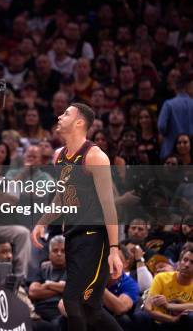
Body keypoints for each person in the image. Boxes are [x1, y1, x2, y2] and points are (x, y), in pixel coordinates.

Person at [31, 102, 123, 331]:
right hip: (73, 236)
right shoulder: (59, 156)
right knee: (91, 310)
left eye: (66, 114)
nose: (60, 116)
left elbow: (109, 206)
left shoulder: (95, 157)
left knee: (72, 302)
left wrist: (114, 249)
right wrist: (42, 223)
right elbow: (62, 199)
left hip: (95, 237)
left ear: (80, 122)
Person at [137, 248, 193, 329]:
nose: (187, 264)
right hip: (160, 322)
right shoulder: (161, 277)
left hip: (183, 325)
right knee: (141, 316)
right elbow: (148, 308)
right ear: (179, 262)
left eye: (192, 262)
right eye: (185, 260)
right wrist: (173, 319)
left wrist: (169, 305)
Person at [29, 235, 67, 331]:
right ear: (49, 254)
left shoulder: (73, 269)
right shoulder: (43, 269)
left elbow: (73, 288)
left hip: (60, 313)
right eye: (55, 250)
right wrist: (61, 288)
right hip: (39, 313)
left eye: (63, 251)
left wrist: (48, 284)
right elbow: (33, 292)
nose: (59, 254)